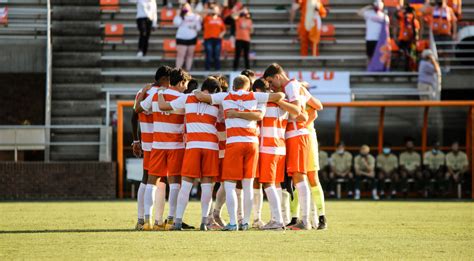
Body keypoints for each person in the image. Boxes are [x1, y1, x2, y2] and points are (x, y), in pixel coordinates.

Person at [195, 75, 285, 231]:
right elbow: (280, 95)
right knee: (248, 185)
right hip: (252, 143)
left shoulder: (225, 96)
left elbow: (201, 96)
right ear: (248, 85)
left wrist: (195, 91)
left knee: (229, 185)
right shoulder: (254, 95)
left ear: (234, 86)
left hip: (234, 143)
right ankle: (245, 222)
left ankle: (233, 222)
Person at [157, 77, 222, 231]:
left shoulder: (187, 97)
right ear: (214, 91)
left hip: (193, 146)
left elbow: (163, 106)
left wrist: (160, 93)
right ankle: (204, 222)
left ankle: (178, 221)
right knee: (207, 187)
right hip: (211, 146)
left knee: (186, 185)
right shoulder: (217, 101)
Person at [136, 68, 191, 230]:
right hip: (176, 146)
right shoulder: (184, 98)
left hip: (157, 144)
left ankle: (147, 220)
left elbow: (138, 109)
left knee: (151, 182)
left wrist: (143, 93)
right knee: (175, 183)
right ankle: (171, 220)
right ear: (181, 82)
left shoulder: (155, 95)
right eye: (185, 84)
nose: (186, 88)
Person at [263, 63, 313, 230]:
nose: (270, 86)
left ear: (277, 76)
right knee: (296, 177)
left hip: (297, 134)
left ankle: (305, 220)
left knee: (299, 176)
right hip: (293, 135)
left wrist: (278, 100)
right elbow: (314, 107)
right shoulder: (291, 86)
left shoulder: (291, 85)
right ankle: (303, 219)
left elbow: (297, 112)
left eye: (271, 81)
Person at [253, 78, 291, 230]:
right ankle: (281, 218)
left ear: (257, 91)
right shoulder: (283, 102)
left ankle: (277, 220)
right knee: (276, 185)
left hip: (267, 147)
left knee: (268, 184)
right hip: (281, 147)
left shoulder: (261, 103)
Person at [173, 3, 202, 71]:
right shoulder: (180, 16)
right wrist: (179, 15)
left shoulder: (195, 16)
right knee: (180, 55)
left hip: (192, 37)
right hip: (181, 37)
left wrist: (196, 23)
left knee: (190, 55)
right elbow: (176, 23)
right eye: (184, 7)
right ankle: (177, 71)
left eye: (187, 7)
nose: (186, 9)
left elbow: (198, 28)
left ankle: (188, 71)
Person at [396, 4, 420, 71]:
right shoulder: (403, 19)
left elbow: (416, 32)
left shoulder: (415, 21)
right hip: (403, 41)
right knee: (405, 53)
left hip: (411, 41)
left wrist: (416, 40)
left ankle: (411, 68)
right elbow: (397, 14)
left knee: (412, 55)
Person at [203, 5, 226, 71]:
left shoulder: (220, 19)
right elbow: (202, 13)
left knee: (217, 55)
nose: (214, 11)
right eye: (213, 9)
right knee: (208, 55)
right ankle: (207, 70)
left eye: (216, 9)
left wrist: (221, 34)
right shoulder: (207, 17)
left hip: (217, 39)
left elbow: (224, 29)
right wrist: (209, 10)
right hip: (208, 39)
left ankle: (217, 70)